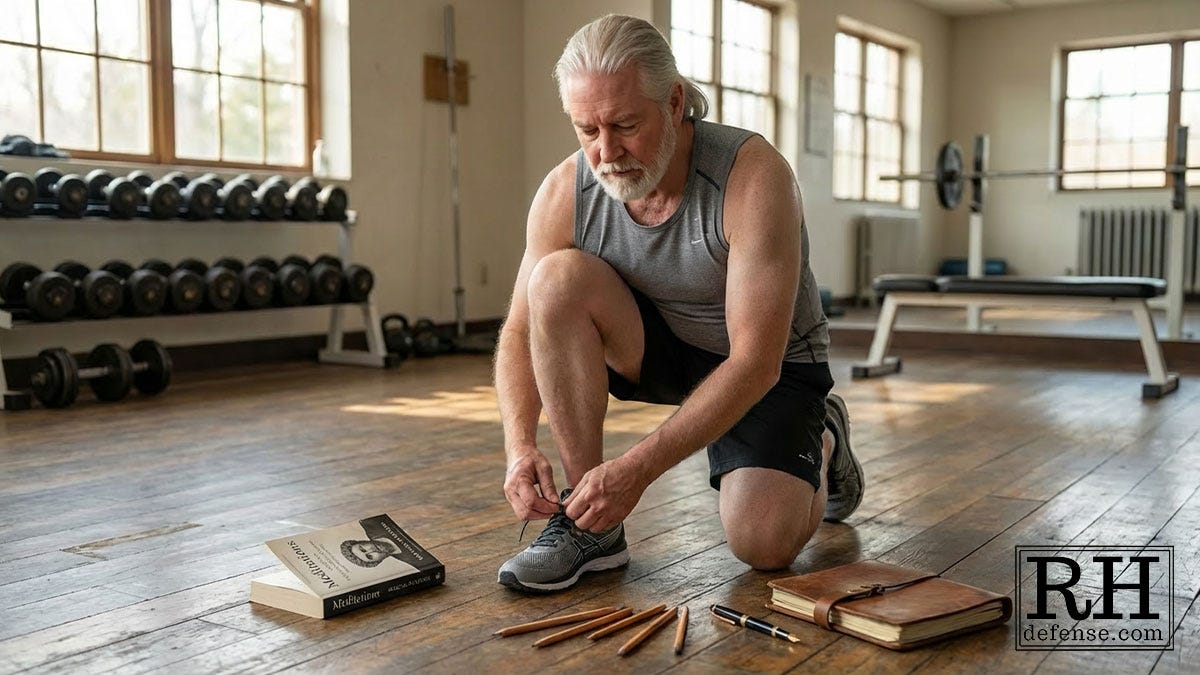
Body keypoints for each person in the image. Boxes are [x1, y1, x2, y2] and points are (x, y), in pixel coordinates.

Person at [494, 14, 863, 594]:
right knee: (555, 279)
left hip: (767, 368)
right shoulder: (566, 191)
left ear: (673, 102)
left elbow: (755, 363)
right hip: (659, 348)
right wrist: (518, 447)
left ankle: (822, 438)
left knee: (762, 545)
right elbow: (518, 331)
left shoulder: (752, 176)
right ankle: (589, 522)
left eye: (624, 125)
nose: (606, 151)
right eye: (587, 130)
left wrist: (637, 470)